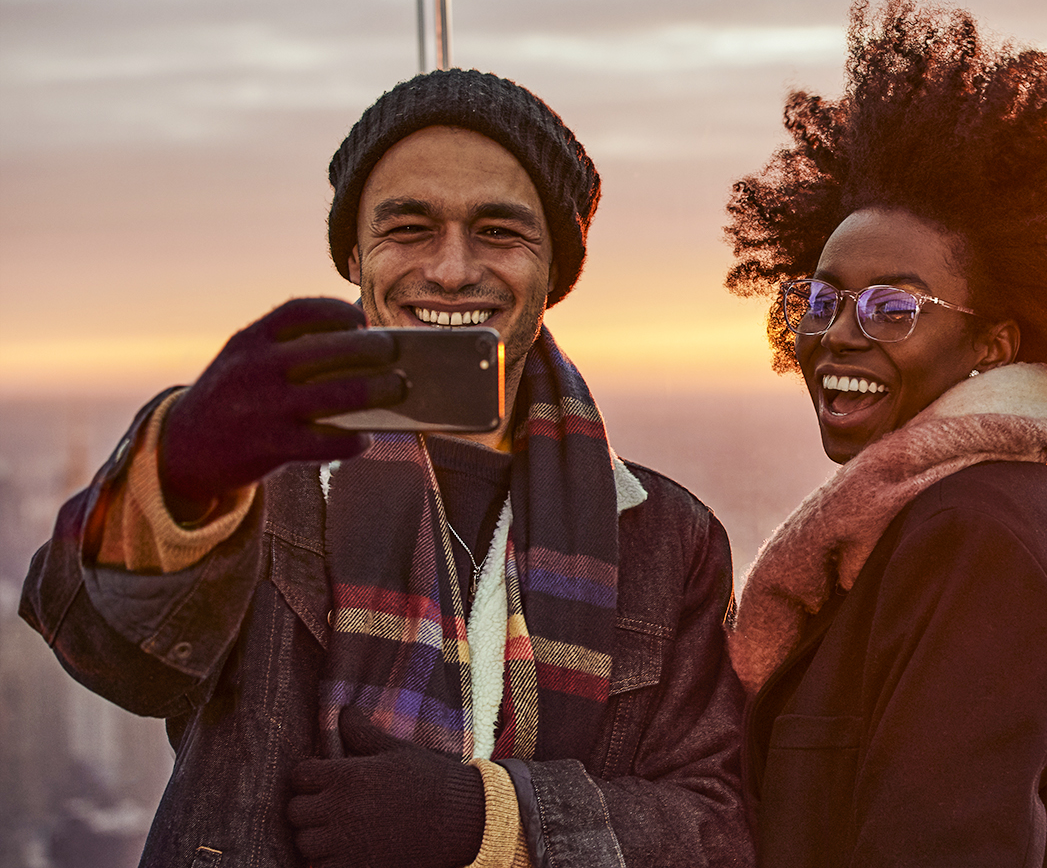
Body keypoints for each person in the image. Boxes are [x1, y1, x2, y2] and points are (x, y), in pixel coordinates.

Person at [21, 69, 752, 868]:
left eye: (499, 232)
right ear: (355, 255)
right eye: (409, 228)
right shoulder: (265, 477)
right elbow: (111, 654)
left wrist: (493, 822)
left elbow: (714, 826)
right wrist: (187, 470)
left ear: (555, 269)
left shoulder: (664, 535)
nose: (449, 269)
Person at [722, 0, 1047, 867]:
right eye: (822, 300)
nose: (839, 334)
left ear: (995, 344)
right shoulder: (918, 527)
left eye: (894, 306)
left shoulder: (973, 542)